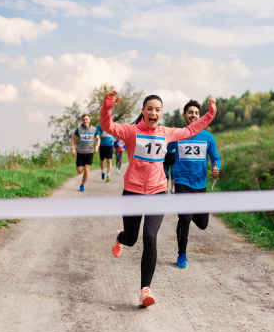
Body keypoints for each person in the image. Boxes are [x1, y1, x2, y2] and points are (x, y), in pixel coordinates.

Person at [101, 91, 216, 307]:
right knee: (132, 238)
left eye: (158, 109)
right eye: (150, 109)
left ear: (161, 113)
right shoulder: (131, 131)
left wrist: (209, 114)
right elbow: (108, 126)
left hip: (157, 192)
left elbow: (191, 129)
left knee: (150, 237)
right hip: (133, 192)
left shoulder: (166, 133)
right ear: (143, 112)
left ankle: (145, 290)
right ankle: (120, 237)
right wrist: (107, 106)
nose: (154, 112)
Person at [167, 100, 221, 269]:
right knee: (185, 217)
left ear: (201, 116)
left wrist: (215, 167)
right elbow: (165, 152)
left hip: (200, 185)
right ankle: (182, 253)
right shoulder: (178, 134)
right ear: (184, 115)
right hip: (182, 182)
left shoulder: (208, 137)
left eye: (197, 113)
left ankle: (188, 216)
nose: (194, 115)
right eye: (190, 112)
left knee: (203, 224)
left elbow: (216, 158)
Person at [70, 114, 99, 192]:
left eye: (86, 119)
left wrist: (97, 147)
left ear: (89, 120)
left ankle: (82, 185)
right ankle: (82, 175)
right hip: (80, 152)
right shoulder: (78, 129)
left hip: (89, 152)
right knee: (79, 171)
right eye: (83, 119)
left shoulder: (94, 129)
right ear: (82, 120)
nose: (85, 121)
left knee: (87, 169)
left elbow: (98, 139)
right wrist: (72, 148)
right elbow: (73, 139)